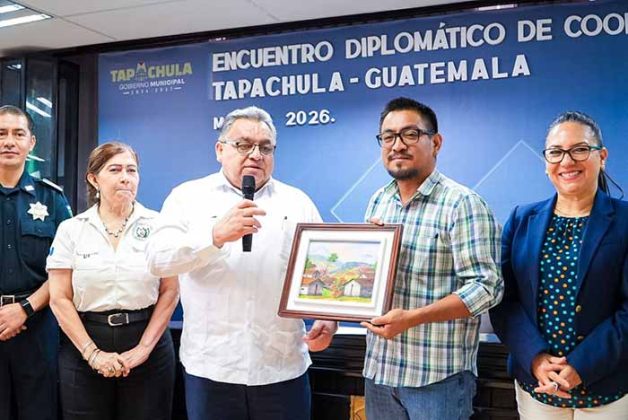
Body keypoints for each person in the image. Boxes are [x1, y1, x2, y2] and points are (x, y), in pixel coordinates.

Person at [147, 106, 337, 420]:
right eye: (243, 144)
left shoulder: (297, 202)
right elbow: (157, 260)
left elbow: (324, 270)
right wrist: (214, 236)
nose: (255, 154)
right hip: (211, 369)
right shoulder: (186, 197)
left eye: (265, 147)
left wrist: (329, 318)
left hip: (281, 367)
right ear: (219, 150)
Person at [360, 97, 503, 420]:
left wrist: (413, 317)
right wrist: (367, 257)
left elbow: (487, 288)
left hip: (437, 379)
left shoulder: (462, 204)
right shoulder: (379, 201)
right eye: (388, 136)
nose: (397, 145)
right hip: (380, 371)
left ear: (435, 142)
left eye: (410, 134)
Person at [490, 111, 628, 419]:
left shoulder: (625, 221)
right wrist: (536, 358)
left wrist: (582, 365)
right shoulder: (522, 219)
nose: (567, 161)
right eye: (556, 152)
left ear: (602, 156)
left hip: (609, 388)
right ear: (546, 161)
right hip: (538, 386)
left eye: (580, 149)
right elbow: (503, 300)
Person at [47, 141, 179, 420]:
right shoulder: (71, 230)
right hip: (84, 345)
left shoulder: (159, 225)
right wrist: (92, 354)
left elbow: (170, 291)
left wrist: (143, 349)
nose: (125, 177)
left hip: (148, 345)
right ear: (94, 179)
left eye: (132, 170)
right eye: (115, 170)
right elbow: (59, 298)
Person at [0, 105, 72, 420]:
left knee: (39, 412)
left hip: (38, 327)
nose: (9, 141)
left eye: (18, 134)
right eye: (1, 133)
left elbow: (66, 269)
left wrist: (24, 309)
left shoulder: (52, 199)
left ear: (31, 143)